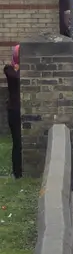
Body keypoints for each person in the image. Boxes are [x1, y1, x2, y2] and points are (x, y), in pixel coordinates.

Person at [5, 45, 20, 178]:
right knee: (17, 141)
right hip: (14, 110)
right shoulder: (9, 69)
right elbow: (16, 78)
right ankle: (17, 172)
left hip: (22, 109)